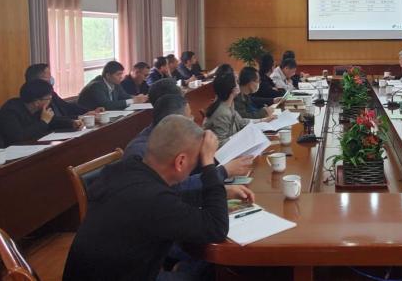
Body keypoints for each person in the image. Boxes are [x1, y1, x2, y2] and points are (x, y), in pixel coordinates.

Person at [62, 117, 249, 281]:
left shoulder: (125, 169)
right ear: (181, 161)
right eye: (197, 160)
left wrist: (219, 192)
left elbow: (170, 200)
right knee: (211, 272)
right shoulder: (155, 199)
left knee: (197, 263)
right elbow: (216, 228)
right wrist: (208, 163)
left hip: (93, 274)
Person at [124, 95, 254, 183]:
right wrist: (223, 172)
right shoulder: (142, 150)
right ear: (175, 121)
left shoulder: (173, 137)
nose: (193, 121)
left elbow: (193, 170)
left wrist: (216, 158)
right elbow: (176, 187)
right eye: (189, 117)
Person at [0, 80, 82, 146]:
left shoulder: (38, 108)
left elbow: (52, 121)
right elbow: (19, 137)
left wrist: (71, 123)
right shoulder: (10, 112)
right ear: (36, 102)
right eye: (48, 98)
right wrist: (43, 122)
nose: (50, 101)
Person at [204, 74, 272, 146]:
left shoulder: (229, 105)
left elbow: (241, 122)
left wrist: (263, 120)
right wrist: (242, 137)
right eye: (237, 82)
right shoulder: (222, 112)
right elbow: (220, 143)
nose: (239, 85)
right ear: (233, 89)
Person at [24, 63, 102, 121]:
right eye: (47, 76)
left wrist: (89, 111)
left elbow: (67, 106)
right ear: (37, 81)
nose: (51, 79)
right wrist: (80, 117)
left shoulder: (52, 93)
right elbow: (54, 120)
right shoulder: (34, 99)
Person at [78, 61, 149, 111]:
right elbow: (107, 105)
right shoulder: (96, 85)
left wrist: (138, 98)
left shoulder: (115, 83)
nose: (121, 77)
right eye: (118, 74)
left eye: (121, 74)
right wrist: (133, 100)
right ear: (108, 75)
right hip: (86, 117)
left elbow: (124, 96)